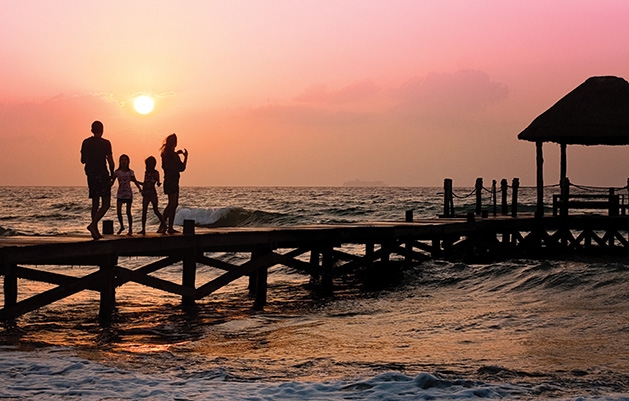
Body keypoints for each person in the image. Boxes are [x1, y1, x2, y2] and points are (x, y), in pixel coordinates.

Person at [80, 120, 115, 239]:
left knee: (95, 203)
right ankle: (93, 225)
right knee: (106, 203)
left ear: (91, 130)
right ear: (102, 130)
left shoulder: (86, 142)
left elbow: (82, 160)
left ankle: (94, 231)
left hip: (91, 174)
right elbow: (110, 161)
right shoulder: (106, 143)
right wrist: (112, 174)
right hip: (102, 173)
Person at [159, 133, 188, 234]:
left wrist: (176, 153)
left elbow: (167, 166)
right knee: (172, 204)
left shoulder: (164, 154)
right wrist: (186, 157)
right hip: (173, 181)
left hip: (167, 180)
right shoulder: (173, 155)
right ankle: (164, 226)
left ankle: (166, 226)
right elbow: (182, 168)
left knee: (172, 204)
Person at [112, 154, 142, 235]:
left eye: (125, 160)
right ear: (120, 162)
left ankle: (130, 229)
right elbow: (112, 181)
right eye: (122, 160)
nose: (123, 161)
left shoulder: (130, 172)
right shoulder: (117, 172)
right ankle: (122, 226)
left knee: (128, 212)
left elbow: (135, 181)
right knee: (118, 211)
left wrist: (140, 189)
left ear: (128, 162)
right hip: (120, 194)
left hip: (128, 194)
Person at [139, 156, 165, 235]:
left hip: (152, 193)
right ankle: (143, 229)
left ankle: (164, 225)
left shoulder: (155, 173)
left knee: (156, 210)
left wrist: (158, 182)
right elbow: (145, 183)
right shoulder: (146, 172)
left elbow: (157, 182)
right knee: (144, 211)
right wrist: (136, 182)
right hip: (146, 193)